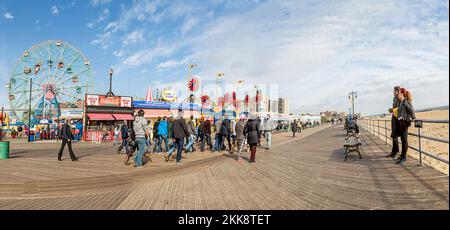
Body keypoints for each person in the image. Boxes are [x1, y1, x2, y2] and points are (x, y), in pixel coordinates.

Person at [396, 88, 415, 164]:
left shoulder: (406, 102)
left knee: (404, 140)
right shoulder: (401, 102)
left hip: (404, 123)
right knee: (402, 139)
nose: (398, 95)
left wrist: (410, 119)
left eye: (399, 93)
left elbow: (412, 111)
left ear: (402, 94)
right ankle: (402, 155)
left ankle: (404, 157)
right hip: (401, 122)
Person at [386, 86, 401, 158]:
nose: (393, 92)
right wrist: (392, 109)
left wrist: (393, 110)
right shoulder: (395, 98)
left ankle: (396, 152)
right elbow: (395, 108)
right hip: (394, 117)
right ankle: (393, 151)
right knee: (393, 135)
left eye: (394, 91)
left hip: (397, 118)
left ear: (398, 91)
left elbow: (400, 108)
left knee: (395, 135)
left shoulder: (399, 98)